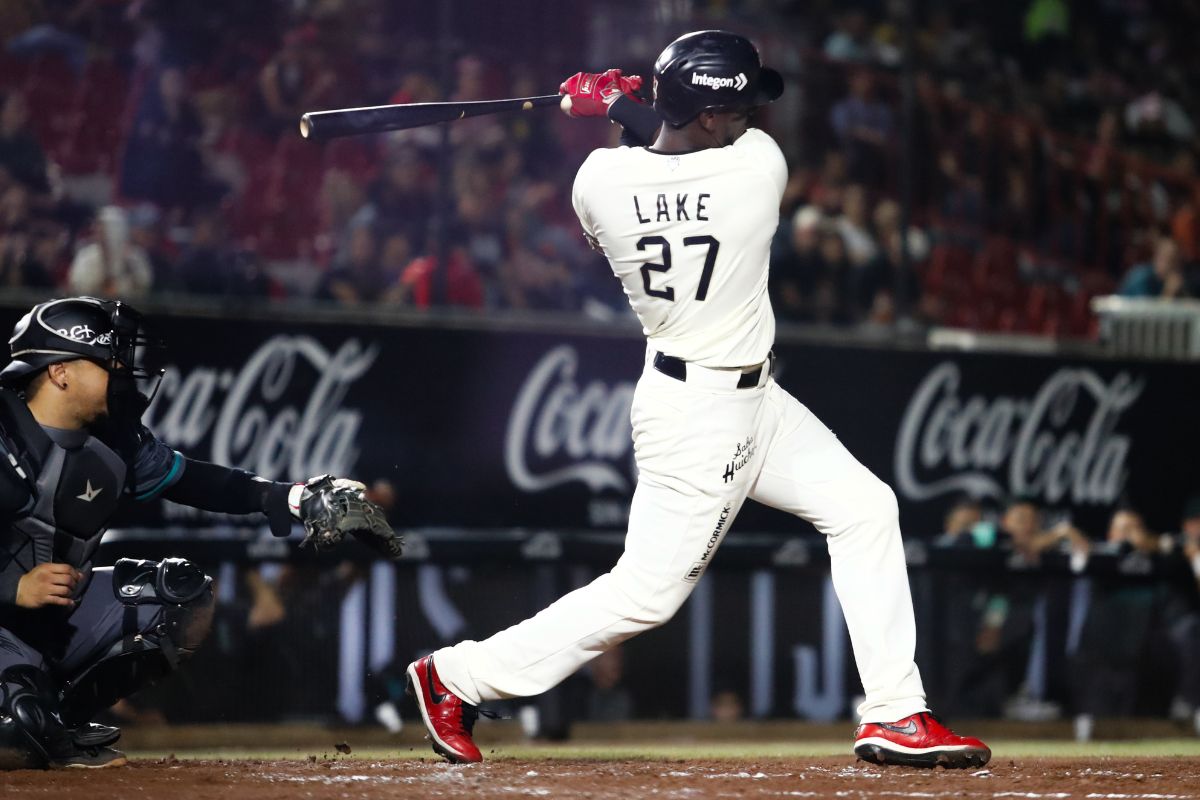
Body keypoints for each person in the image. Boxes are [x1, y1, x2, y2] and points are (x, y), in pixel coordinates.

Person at [406, 30, 989, 769]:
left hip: (748, 398)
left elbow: (657, 157)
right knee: (644, 594)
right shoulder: (758, 170)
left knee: (865, 508)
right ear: (709, 116)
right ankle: (453, 675)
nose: (749, 117)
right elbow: (683, 152)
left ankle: (896, 714)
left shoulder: (596, 182)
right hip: (701, 416)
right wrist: (623, 103)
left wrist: (618, 107)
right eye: (737, 106)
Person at [0, 297, 401, 770]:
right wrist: (11, 586)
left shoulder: (116, 442)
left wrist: (291, 498)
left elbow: (193, 479)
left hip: (57, 625)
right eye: (110, 360)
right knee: (16, 734)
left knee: (181, 596)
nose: (124, 371)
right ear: (60, 372)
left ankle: (60, 721)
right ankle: (30, 713)